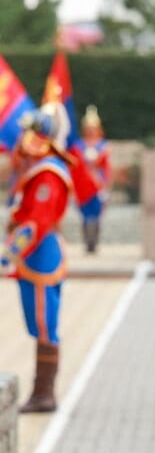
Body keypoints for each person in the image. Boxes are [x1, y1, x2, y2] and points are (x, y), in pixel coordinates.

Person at [2, 101, 73, 413]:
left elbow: (36, 223)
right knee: (39, 325)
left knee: (45, 325)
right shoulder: (36, 169)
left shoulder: (48, 173)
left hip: (40, 257)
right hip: (34, 258)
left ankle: (44, 393)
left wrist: (7, 255)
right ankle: (42, 392)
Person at [74, 105, 110, 254]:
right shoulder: (79, 145)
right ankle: (86, 242)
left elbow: (106, 168)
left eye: (93, 128)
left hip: (96, 185)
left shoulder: (103, 146)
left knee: (96, 216)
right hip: (82, 185)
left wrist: (105, 185)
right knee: (84, 215)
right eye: (88, 128)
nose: (90, 131)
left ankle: (94, 242)